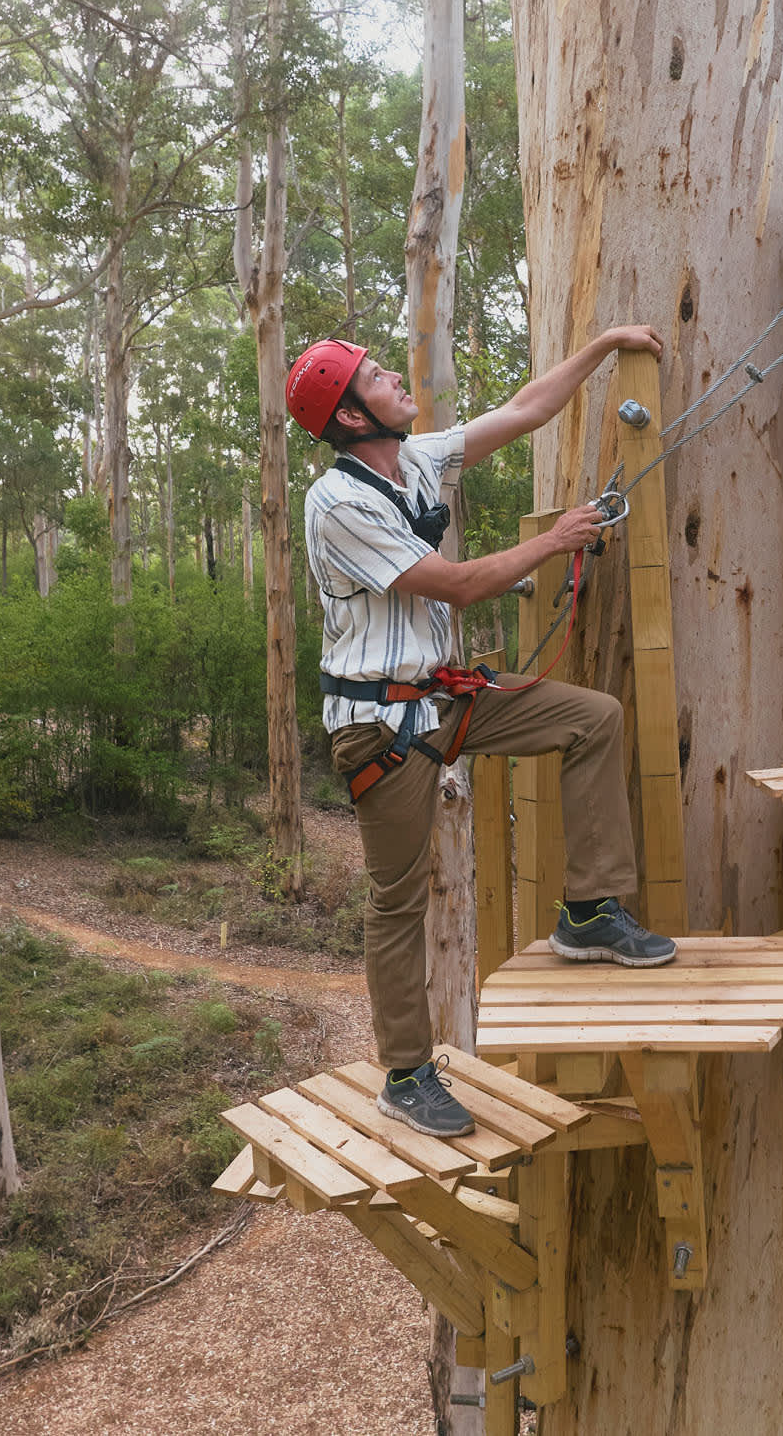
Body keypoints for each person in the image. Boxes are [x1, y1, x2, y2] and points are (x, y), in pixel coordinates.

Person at [290, 328, 678, 1139]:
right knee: (398, 898)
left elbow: (526, 409)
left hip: (444, 695)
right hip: (380, 725)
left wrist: (603, 344)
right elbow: (458, 585)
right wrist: (558, 537)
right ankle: (406, 1071)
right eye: (374, 376)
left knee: (591, 718)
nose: (393, 375)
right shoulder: (339, 502)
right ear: (353, 418)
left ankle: (589, 912)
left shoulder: (419, 457)